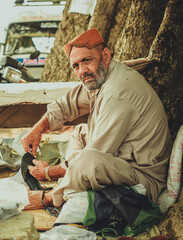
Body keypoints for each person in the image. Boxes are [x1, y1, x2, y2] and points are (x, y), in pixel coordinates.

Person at [21, 28, 172, 209]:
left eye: (86, 60)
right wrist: (38, 129)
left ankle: (50, 197)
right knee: (79, 132)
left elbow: (95, 155)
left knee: (88, 160)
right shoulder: (99, 77)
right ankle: (72, 183)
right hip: (121, 160)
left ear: (105, 55)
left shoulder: (117, 92)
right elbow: (65, 105)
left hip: (143, 178)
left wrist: (48, 172)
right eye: (75, 66)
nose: (82, 70)